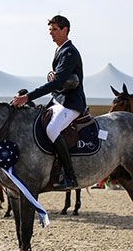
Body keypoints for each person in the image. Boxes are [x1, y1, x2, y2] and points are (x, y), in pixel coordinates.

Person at [11, 15, 87, 190]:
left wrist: (27, 97)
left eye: (55, 30)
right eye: (50, 30)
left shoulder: (69, 52)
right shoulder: (59, 50)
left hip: (71, 102)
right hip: (59, 99)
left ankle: (70, 175)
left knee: (51, 129)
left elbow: (56, 83)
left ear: (65, 30)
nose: (51, 33)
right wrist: (51, 76)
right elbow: (57, 79)